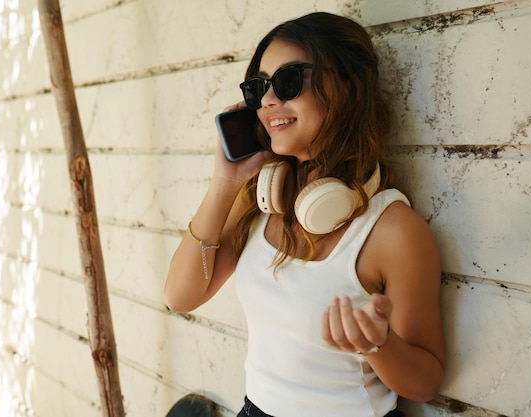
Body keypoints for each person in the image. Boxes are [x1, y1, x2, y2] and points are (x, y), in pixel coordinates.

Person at [165, 12, 444, 417]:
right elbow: (180, 296)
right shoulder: (261, 199)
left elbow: (426, 381)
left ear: (348, 88)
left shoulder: (394, 230)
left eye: (289, 81)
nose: (269, 101)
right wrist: (223, 183)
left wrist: (376, 343)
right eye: (259, 87)